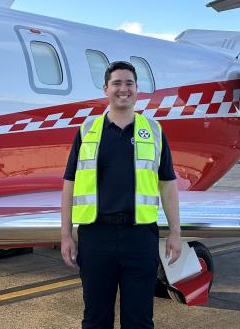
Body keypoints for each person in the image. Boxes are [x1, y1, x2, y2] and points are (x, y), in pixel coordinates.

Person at [60, 61, 181, 329]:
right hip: (96, 236)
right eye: (116, 83)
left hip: (139, 237)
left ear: (137, 90)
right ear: (106, 89)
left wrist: (175, 231)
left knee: (138, 321)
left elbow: (168, 185)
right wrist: (66, 234)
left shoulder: (154, 131)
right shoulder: (87, 130)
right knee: (95, 319)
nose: (123, 89)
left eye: (129, 83)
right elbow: (69, 183)